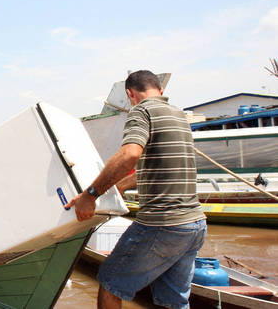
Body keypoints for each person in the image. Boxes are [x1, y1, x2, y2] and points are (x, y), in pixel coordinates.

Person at [65, 70, 206, 309]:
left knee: (110, 282)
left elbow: (130, 155)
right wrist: (116, 189)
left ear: (130, 94)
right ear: (160, 90)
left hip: (163, 223)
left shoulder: (142, 111)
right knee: (174, 301)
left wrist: (91, 195)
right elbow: (156, 167)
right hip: (194, 225)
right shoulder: (179, 115)